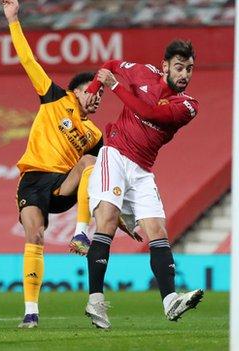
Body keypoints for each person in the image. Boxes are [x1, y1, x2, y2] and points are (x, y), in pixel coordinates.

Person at [75, 40, 203, 329]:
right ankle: (95, 300)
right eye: (180, 68)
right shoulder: (142, 72)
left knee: (157, 230)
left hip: (143, 170)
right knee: (106, 219)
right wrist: (94, 89)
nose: (185, 75)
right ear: (165, 66)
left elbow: (149, 113)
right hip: (116, 155)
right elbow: (109, 66)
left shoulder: (188, 105)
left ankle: (170, 301)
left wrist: (115, 87)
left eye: (190, 69)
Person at [2, 0, 105, 328]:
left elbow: (105, 174)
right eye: (93, 92)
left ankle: (81, 233)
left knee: (92, 161)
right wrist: (14, 20)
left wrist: (127, 217)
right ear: (77, 90)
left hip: (63, 186)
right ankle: (31, 312)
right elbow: (27, 59)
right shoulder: (54, 98)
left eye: (101, 97)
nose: (97, 98)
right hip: (32, 181)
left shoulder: (94, 133)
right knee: (35, 235)